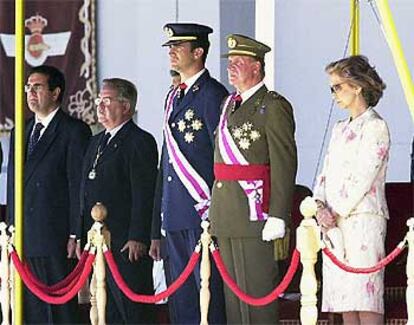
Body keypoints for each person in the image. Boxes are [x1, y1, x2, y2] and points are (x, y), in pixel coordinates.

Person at [209, 34, 297, 324]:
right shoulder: (228, 104)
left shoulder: (273, 106)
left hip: (254, 211)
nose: (231, 68)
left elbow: (284, 163)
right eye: (230, 63)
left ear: (257, 68)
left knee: (257, 297)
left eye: (239, 63)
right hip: (227, 212)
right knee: (234, 301)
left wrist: (278, 214)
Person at [149, 23, 228, 324]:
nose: (171, 51)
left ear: (198, 52)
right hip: (176, 213)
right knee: (181, 300)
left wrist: (214, 211)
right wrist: (159, 220)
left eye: (177, 46)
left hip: (201, 213)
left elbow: (221, 158)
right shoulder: (174, 97)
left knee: (208, 296)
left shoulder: (211, 95)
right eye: (170, 46)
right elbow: (166, 164)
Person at [7, 65, 91, 324]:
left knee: (58, 309)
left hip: (56, 235)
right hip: (25, 235)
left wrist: (76, 232)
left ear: (55, 92)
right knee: (29, 308)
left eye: (37, 87)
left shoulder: (73, 131)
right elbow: (13, 185)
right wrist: (12, 228)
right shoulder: (20, 131)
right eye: (28, 88)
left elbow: (77, 185)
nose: (31, 93)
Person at [313, 55, 390, 325]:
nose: (333, 94)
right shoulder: (338, 129)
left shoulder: (375, 126)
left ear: (356, 86)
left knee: (364, 297)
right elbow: (325, 173)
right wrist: (319, 206)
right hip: (333, 225)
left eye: (337, 87)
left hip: (362, 220)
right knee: (344, 298)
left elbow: (363, 176)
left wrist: (335, 211)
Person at [78, 78, 158, 324]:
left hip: (125, 243)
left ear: (125, 106)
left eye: (107, 101)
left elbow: (144, 194)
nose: (100, 106)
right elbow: (85, 190)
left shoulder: (139, 140)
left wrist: (138, 236)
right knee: (105, 309)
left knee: (131, 310)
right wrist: (83, 236)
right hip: (99, 242)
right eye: (98, 101)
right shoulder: (95, 142)